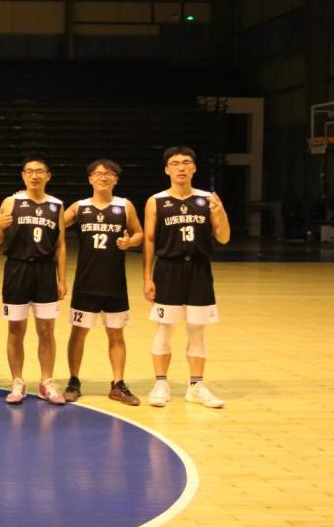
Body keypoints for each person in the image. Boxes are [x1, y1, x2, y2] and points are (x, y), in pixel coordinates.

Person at [143, 146, 230, 409]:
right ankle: (161, 384)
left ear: (194, 168)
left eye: (186, 162)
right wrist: (147, 277)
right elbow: (149, 240)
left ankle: (196, 386)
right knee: (165, 328)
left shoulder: (207, 199)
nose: (181, 167)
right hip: (168, 269)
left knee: (197, 330)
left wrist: (220, 212)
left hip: (199, 270)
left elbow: (223, 237)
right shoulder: (156, 201)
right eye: (175, 163)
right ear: (166, 169)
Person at [61, 159, 144, 405]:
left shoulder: (124, 206)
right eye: (98, 174)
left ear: (115, 179)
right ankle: (73, 381)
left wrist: (130, 242)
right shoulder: (80, 207)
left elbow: (139, 233)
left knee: (116, 334)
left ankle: (118, 384)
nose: (103, 177)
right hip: (85, 281)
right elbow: (52, 224)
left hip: (114, 282)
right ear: (90, 179)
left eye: (109, 174)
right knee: (78, 333)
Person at [0, 152, 67, 405]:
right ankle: (17, 381)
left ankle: (46, 382)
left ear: (48, 176)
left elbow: (60, 245)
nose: (35, 175)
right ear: (23, 176)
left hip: (45, 271)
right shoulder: (11, 202)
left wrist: (62, 279)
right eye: (30, 171)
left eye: (39, 171)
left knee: (46, 330)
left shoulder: (56, 205)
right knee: (16, 329)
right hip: (17, 269)